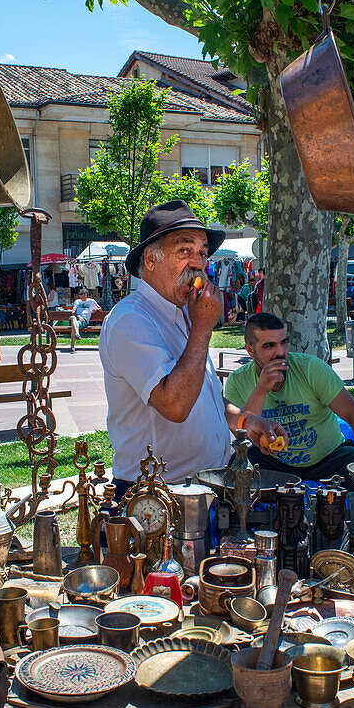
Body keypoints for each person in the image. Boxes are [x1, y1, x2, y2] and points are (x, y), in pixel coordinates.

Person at [100, 199, 286, 495]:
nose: (198, 263)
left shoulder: (187, 311)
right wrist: (202, 328)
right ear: (150, 260)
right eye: (184, 251)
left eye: (202, 253)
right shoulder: (130, 319)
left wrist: (246, 421)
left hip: (207, 485)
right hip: (156, 496)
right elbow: (175, 405)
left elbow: (207, 396)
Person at [223, 312, 354, 483]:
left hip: (329, 459)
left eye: (283, 343)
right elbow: (243, 437)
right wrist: (261, 389)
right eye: (269, 346)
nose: (280, 352)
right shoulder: (238, 380)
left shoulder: (310, 369)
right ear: (250, 350)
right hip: (273, 463)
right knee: (236, 472)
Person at [69, 288, 101, 353]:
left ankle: (72, 346)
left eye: (81, 294)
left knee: (74, 326)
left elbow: (99, 308)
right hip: (76, 317)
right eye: (79, 294)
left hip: (84, 320)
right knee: (73, 318)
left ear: (85, 294)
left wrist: (96, 310)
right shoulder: (77, 301)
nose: (79, 296)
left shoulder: (91, 301)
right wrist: (78, 316)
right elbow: (73, 312)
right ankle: (77, 334)